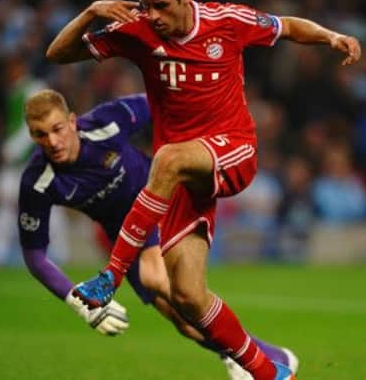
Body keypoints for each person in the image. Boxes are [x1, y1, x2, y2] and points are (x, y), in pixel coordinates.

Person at [47, 0, 360, 378]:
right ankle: (271, 372)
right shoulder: (136, 32)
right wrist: (90, 13)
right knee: (188, 296)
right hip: (184, 177)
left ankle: (110, 276)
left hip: (234, 151)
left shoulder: (226, 21)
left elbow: (286, 26)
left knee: (168, 156)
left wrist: (331, 36)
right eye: (145, 6)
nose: (152, 16)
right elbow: (57, 54)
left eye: (161, 5)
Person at [19, 88, 298, 379]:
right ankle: (269, 357)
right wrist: (79, 304)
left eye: (57, 129)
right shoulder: (38, 182)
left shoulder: (106, 123)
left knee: (166, 284)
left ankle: (251, 362)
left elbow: (164, 100)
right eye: (40, 135)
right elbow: (34, 256)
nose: (52, 141)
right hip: (125, 236)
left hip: (161, 199)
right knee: (182, 320)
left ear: (72, 121)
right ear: (31, 136)